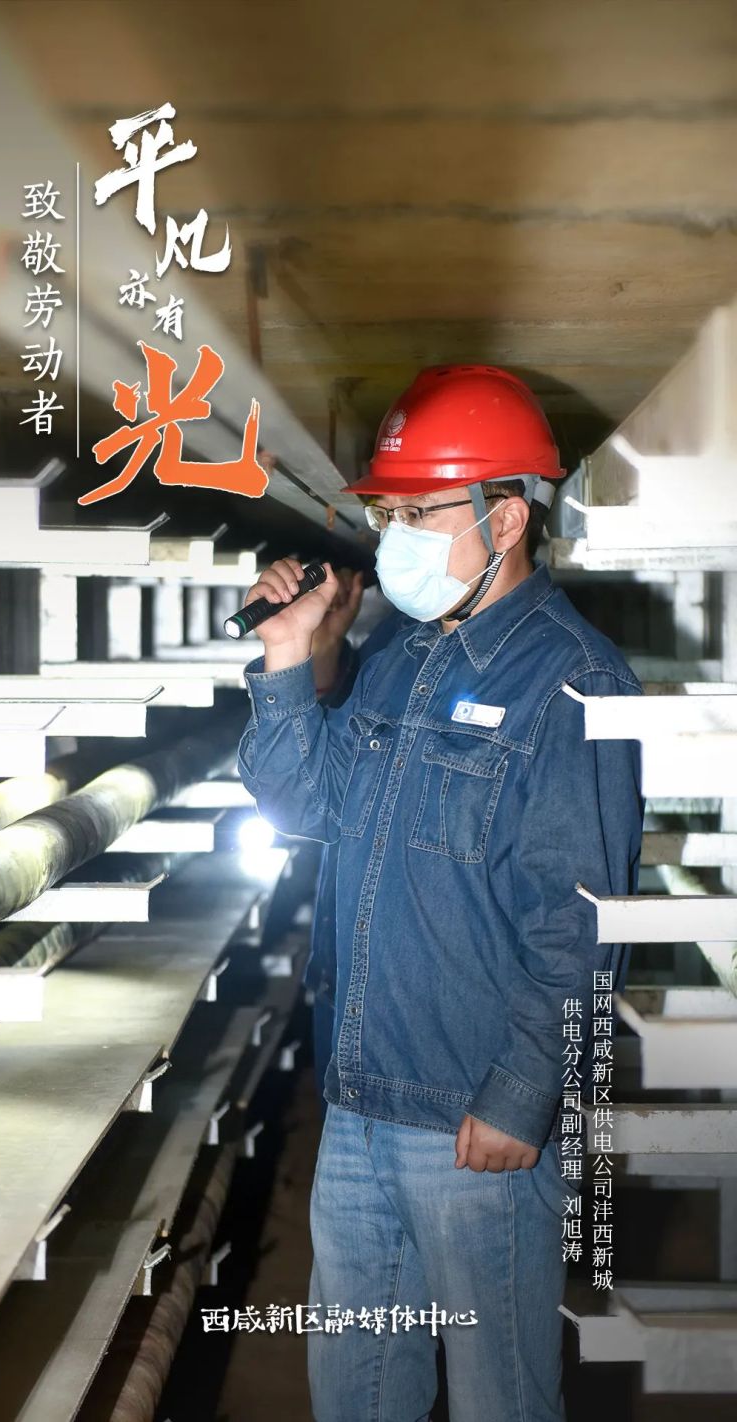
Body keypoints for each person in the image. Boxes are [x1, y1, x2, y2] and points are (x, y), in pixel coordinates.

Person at [237, 365, 645, 1422]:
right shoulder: (397, 653)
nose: (395, 539)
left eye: (420, 513)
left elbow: (580, 921)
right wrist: (288, 658)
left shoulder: (573, 680)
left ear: (504, 519)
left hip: (471, 1118)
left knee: (498, 1399)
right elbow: (301, 805)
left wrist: (522, 1093)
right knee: (356, 1391)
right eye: (389, 514)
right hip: (359, 1099)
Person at [308, 574, 410, 1108]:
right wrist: (319, 644)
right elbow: (321, 781)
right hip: (343, 979)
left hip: (415, 1016)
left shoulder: (547, 664)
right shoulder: (396, 640)